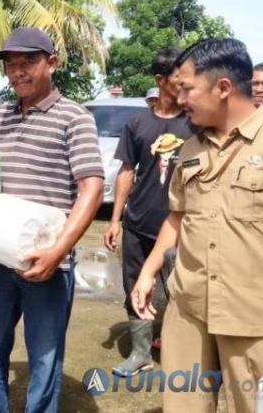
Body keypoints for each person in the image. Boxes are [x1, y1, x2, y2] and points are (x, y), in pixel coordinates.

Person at [132, 38, 263, 413]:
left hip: (258, 319)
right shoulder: (190, 149)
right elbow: (178, 216)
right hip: (190, 309)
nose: (179, 98)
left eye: (186, 88)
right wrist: (149, 272)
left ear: (224, 87)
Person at [0, 27, 104, 413]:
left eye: (28, 62)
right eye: (11, 64)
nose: (17, 72)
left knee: (44, 359)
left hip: (48, 261)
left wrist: (58, 250)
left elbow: (91, 189)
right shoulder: (1, 116)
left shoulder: (73, 118)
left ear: (52, 63)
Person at [103, 47, 192, 377]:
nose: (184, 84)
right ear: (160, 80)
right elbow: (127, 171)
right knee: (133, 286)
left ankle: (181, 350)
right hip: (139, 222)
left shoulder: (195, 122)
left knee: (181, 290)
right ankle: (140, 352)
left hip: (182, 226)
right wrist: (115, 219)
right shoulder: (138, 122)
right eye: (177, 78)